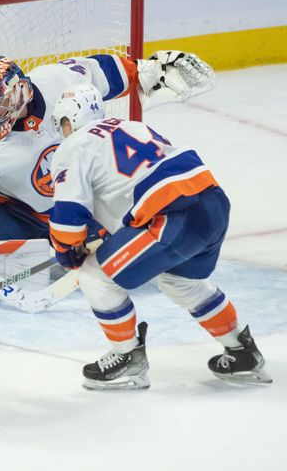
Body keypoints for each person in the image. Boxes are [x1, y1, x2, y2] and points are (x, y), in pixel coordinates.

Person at [0, 50, 216, 309]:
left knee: (133, 272)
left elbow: (102, 71)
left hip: (76, 204)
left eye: (0, 105)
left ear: (21, 92)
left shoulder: (58, 80)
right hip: (11, 208)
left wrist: (148, 70)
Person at [48, 82, 271, 390]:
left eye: (62, 124)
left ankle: (128, 359)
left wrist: (67, 253)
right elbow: (127, 193)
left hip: (173, 218)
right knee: (180, 282)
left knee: (93, 276)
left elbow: (68, 220)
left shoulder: (73, 147)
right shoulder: (132, 126)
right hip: (212, 204)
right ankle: (243, 352)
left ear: (69, 120)